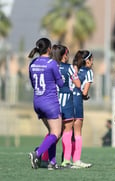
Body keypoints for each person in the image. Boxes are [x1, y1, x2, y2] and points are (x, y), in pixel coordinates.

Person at [28, 38, 64, 170]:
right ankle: (37, 154)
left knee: (51, 132)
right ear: (49, 49)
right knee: (56, 133)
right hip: (50, 102)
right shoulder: (51, 63)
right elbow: (60, 84)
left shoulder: (33, 63)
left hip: (37, 101)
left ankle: (52, 163)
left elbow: (33, 83)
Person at [52, 45, 81, 168]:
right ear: (65, 55)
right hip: (67, 102)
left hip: (53, 101)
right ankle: (66, 160)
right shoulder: (69, 68)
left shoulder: (51, 66)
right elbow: (78, 84)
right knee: (67, 131)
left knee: (53, 132)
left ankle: (44, 156)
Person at [70, 50, 94, 168]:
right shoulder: (88, 72)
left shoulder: (72, 69)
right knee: (77, 132)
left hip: (65, 100)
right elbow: (84, 91)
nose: (92, 62)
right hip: (77, 101)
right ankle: (76, 160)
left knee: (62, 132)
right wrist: (85, 96)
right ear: (87, 60)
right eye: (91, 60)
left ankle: (47, 157)